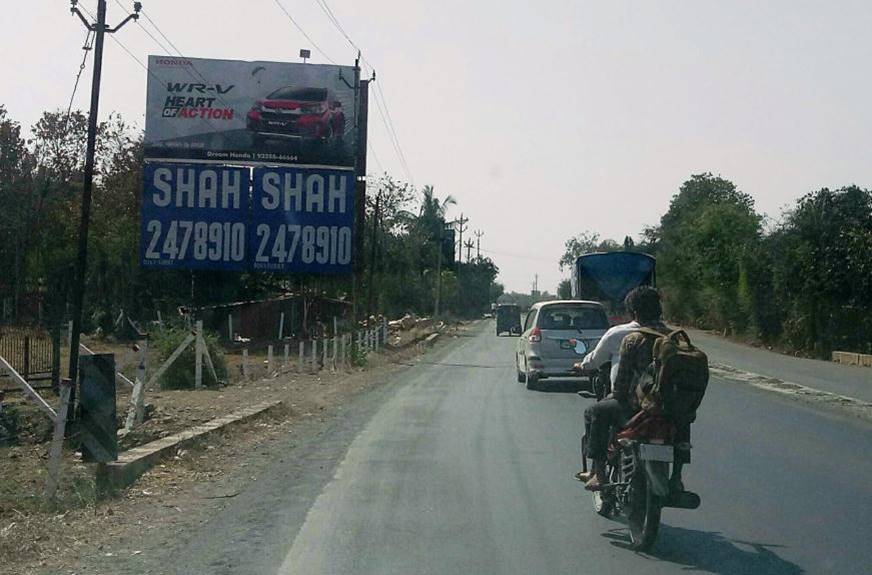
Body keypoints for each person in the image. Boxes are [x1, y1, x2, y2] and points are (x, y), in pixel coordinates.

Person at [576, 286, 690, 492]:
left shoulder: (628, 337)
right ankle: (677, 478)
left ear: (633, 312)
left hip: (634, 407)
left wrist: (615, 394)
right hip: (669, 408)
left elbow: (622, 380)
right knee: (682, 418)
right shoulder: (676, 338)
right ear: (659, 310)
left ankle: (598, 474)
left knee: (595, 412)